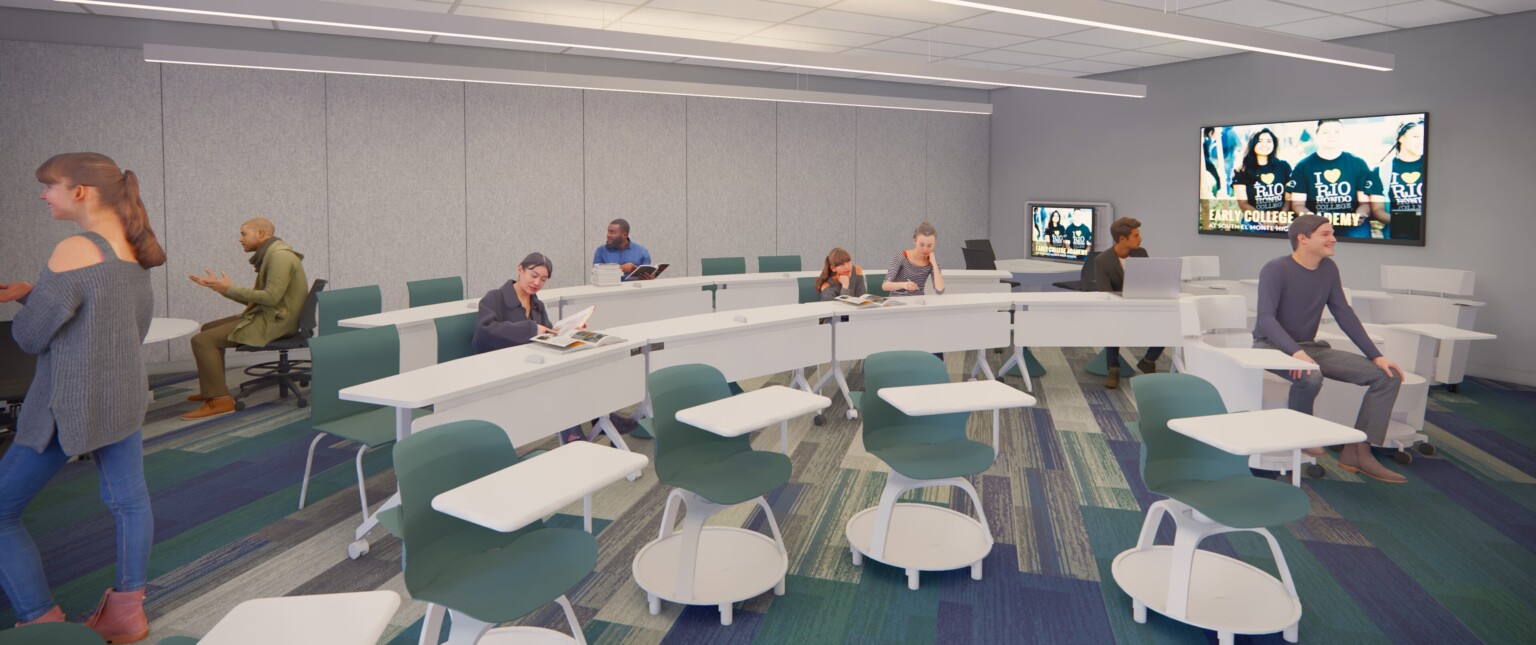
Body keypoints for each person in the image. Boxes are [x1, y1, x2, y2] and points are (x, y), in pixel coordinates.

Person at [0, 153, 163, 642]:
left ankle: (41, 621)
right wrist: (35, 291)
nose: (43, 195)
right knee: (129, 502)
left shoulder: (74, 248)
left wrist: (35, 301)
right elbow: (106, 318)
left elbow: (29, 338)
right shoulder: (136, 249)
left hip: (64, 406)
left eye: (49, 186)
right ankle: (127, 613)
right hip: (121, 397)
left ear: (80, 192)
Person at [1254, 215, 1406, 484]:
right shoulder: (1275, 269)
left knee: (1385, 376)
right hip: (1271, 346)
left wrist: (1376, 356)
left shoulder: (1328, 269)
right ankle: (1302, 436)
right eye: (1325, 234)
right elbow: (1266, 319)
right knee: (1310, 377)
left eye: (1332, 233)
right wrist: (1294, 353)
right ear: (1303, 238)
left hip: (1310, 348)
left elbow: (1343, 313)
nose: (1333, 238)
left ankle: (1359, 450)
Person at [473, 254, 634, 442]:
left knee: (579, 370)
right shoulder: (495, 298)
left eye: (543, 279)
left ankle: (601, 419)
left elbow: (546, 334)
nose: (537, 283)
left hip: (532, 364)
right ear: (520, 269)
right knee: (563, 380)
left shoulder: (537, 304)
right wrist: (531, 328)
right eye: (533, 275)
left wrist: (565, 332)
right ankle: (576, 432)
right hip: (504, 368)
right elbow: (484, 333)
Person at [182, 218, 308, 420]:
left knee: (202, 341)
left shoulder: (279, 257)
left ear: (260, 233)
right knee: (207, 329)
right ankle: (213, 389)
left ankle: (220, 400)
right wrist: (220, 288)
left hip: (278, 322)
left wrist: (229, 289)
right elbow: (266, 300)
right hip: (276, 316)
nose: (240, 239)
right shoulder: (272, 254)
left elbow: (270, 298)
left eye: (243, 234)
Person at [1092, 218, 1164, 390]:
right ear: (1122, 239)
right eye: (1136, 235)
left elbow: (1148, 280)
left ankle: (1148, 361)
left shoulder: (1141, 253)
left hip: (1143, 303)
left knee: (1166, 323)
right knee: (1114, 325)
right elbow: (1104, 293)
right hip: (1117, 307)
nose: (1141, 239)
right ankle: (1113, 368)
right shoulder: (1103, 260)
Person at [1285, 119, 1383, 239]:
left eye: (1336, 131)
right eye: (1326, 132)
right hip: (1316, 223)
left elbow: (1365, 203)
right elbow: (1298, 204)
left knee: (1359, 241)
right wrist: (1313, 220)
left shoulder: (1358, 163)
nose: (1331, 136)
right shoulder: (1303, 166)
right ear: (1317, 135)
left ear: (1343, 134)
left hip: (1350, 222)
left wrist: (1359, 215)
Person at [1232, 128, 1293, 228]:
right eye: (1260, 141)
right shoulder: (1241, 170)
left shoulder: (1283, 166)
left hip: (1281, 219)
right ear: (1253, 144)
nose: (1265, 144)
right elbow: (1243, 203)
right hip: (1254, 218)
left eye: (1269, 141)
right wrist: (1263, 217)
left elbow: (1288, 197)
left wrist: (1283, 214)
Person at [1381, 120, 1425, 241]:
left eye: (1424, 136)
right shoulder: (1382, 170)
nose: (1421, 141)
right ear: (1401, 138)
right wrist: (1405, 222)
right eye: (1416, 136)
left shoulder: (1434, 166)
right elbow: (1377, 210)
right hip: (1397, 231)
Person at [882, 221, 945, 297]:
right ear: (915, 241)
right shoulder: (901, 256)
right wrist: (904, 285)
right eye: (921, 245)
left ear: (934, 244)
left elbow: (940, 291)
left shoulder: (932, 262)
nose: (925, 249)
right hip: (897, 301)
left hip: (918, 302)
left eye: (929, 246)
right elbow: (885, 286)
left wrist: (934, 264)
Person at [1202, 127, 1223, 197]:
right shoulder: (1208, 140)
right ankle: (1218, 193)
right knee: (1218, 178)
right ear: (1211, 132)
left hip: (1206, 162)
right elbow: (1208, 154)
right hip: (1207, 162)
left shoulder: (1205, 139)